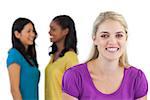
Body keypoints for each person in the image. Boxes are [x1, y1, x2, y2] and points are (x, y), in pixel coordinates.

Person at [62, 11, 148, 100]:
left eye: (119, 35)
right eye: (104, 36)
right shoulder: (74, 76)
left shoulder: (137, 79)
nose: (112, 42)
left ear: (126, 38)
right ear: (94, 39)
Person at [45, 15, 79, 100]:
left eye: (53, 29)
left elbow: (74, 92)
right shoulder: (54, 55)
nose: (49, 32)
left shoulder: (71, 58)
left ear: (65, 31)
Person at [7, 18, 40, 100]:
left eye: (33, 31)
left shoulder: (29, 57)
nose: (32, 34)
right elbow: (14, 90)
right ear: (17, 34)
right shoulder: (14, 54)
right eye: (28, 31)